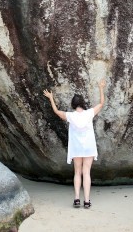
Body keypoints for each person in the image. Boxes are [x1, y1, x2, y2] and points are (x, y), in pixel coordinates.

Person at [43, 79, 106, 209]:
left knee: (77, 172)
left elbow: (56, 111)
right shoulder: (89, 113)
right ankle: (87, 201)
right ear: (83, 103)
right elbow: (101, 103)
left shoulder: (70, 116)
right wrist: (101, 87)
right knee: (86, 173)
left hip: (76, 148)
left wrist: (51, 98)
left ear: (73, 104)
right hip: (88, 147)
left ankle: (77, 199)